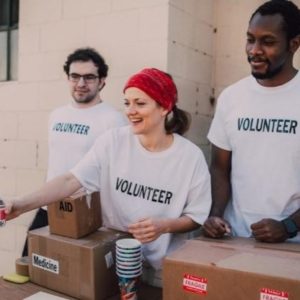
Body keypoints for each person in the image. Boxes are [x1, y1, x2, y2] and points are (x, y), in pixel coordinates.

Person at [7, 68, 211, 287]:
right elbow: (70, 180)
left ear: (165, 107)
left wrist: (164, 225)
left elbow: (195, 217)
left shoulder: (190, 157)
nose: (130, 111)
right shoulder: (113, 141)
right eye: (127, 103)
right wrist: (20, 204)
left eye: (140, 103)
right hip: (111, 263)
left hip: (161, 273)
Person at [203, 0, 300, 243]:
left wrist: (289, 226)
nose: (254, 50)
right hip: (236, 239)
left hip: (292, 245)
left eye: (267, 42)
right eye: (250, 39)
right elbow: (220, 168)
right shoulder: (231, 97)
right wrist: (215, 215)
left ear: (294, 44)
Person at [22, 47, 126, 256]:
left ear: (102, 81)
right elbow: (55, 162)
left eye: (89, 77)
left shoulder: (114, 120)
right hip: (49, 207)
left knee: (71, 279)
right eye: (75, 76)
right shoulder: (56, 115)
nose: (81, 83)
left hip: (86, 214)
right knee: (30, 265)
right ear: (68, 78)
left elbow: (118, 173)